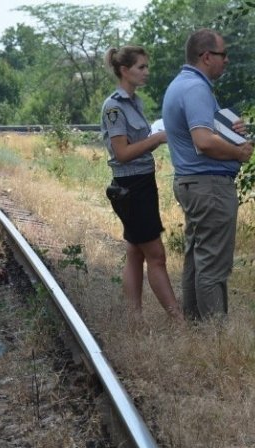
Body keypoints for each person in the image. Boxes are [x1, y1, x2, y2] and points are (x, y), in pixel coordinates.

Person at [162, 29, 254, 321]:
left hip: (193, 183)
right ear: (206, 56)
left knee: (196, 259)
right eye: (222, 54)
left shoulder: (181, 85)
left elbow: (205, 133)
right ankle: (216, 339)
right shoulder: (196, 89)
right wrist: (239, 152)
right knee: (213, 264)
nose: (226, 60)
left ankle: (195, 329)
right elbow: (203, 140)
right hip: (209, 186)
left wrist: (231, 130)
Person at [101, 45, 182, 322]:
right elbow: (122, 153)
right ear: (124, 70)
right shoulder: (114, 106)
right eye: (141, 67)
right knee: (156, 256)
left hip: (142, 183)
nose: (146, 72)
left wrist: (151, 139)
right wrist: (156, 139)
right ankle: (179, 321)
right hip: (131, 186)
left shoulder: (134, 102)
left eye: (146, 67)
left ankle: (134, 319)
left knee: (136, 252)